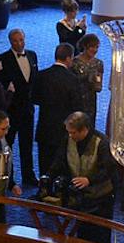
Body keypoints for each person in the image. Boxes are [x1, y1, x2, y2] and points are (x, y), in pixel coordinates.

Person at [54, 112, 115, 243]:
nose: (70, 135)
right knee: (83, 237)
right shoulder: (69, 139)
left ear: (84, 130)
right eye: (69, 132)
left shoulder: (102, 142)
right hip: (81, 197)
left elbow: (108, 170)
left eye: (73, 133)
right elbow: (60, 160)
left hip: (101, 198)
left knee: (100, 238)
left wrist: (89, 180)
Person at [33, 45, 88, 177]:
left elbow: (34, 98)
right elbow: (77, 107)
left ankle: (44, 190)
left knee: (44, 163)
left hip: (45, 126)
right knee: (63, 165)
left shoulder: (42, 75)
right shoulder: (72, 79)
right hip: (64, 130)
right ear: (68, 58)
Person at [0, 29, 41, 187]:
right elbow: (1, 85)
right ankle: (8, 179)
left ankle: (28, 176)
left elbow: (34, 80)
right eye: (15, 41)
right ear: (10, 42)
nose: (19, 43)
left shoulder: (32, 55)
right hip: (11, 111)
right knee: (7, 146)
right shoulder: (2, 59)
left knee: (27, 144)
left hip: (28, 109)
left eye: (21, 39)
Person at [72, 33, 104, 125]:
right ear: (85, 46)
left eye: (97, 47)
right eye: (92, 47)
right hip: (77, 100)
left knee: (89, 126)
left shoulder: (99, 63)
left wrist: (96, 83)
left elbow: (99, 87)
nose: (95, 50)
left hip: (91, 101)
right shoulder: (74, 62)